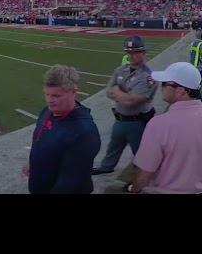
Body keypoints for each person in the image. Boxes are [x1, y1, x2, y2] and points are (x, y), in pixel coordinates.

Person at [124, 62, 202, 194]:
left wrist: (133, 188)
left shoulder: (159, 124)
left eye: (165, 84)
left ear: (180, 90)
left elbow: (143, 175)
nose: (161, 87)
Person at [22, 65, 101, 194]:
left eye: (56, 96)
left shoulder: (84, 132)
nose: (50, 100)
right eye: (47, 94)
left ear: (73, 92)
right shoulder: (47, 111)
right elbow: (39, 141)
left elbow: (71, 182)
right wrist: (33, 162)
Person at [92, 35, 158, 175]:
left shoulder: (148, 76)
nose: (131, 56)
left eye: (135, 52)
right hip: (120, 118)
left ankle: (141, 178)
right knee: (113, 147)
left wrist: (117, 91)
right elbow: (108, 92)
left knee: (140, 154)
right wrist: (122, 94)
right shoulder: (121, 70)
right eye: (129, 52)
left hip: (137, 122)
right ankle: (107, 166)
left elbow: (131, 101)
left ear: (143, 53)